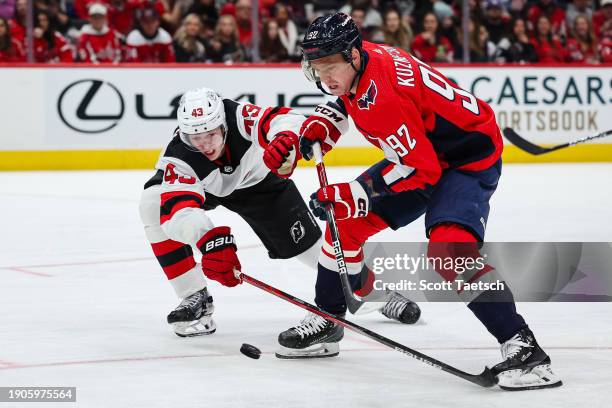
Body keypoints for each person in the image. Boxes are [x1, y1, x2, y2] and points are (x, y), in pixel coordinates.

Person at [265, 12, 561, 391]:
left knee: (449, 252)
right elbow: (347, 99)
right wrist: (325, 123)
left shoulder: (384, 96)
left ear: (353, 56)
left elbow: (422, 172)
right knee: (344, 227)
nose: (324, 79)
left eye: (329, 68)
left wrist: (355, 194)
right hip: (424, 151)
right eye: (317, 70)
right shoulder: (363, 57)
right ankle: (329, 319)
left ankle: (525, 349)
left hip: (465, 159)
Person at [139, 87, 420, 338]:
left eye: (211, 134)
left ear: (222, 124)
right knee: (153, 203)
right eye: (194, 137)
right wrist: (208, 239)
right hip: (205, 188)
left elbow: (287, 119)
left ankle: (372, 291)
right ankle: (194, 296)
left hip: (258, 184)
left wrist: (284, 138)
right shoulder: (179, 156)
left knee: (312, 250)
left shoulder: (237, 115)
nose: (204, 144)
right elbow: (177, 213)